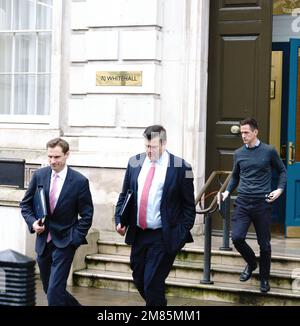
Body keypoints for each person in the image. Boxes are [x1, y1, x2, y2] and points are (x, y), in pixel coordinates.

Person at [115, 125, 196, 306]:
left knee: (152, 282)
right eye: (146, 146)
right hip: (139, 234)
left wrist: (181, 232)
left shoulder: (182, 167)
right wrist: (119, 219)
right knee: (139, 278)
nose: (148, 151)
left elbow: (189, 206)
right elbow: (124, 195)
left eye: (152, 147)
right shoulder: (134, 162)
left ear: (164, 144)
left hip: (163, 235)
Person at [20, 138, 93, 306]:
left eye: (57, 157)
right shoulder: (39, 175)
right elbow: (25, 204)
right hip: (43, 242)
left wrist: (74, 239)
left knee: (54, 292)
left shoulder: (79, 181)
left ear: (67, 155)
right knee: (51, 290)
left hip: (65, 242)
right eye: (50, 157)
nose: (53, 161)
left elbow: (87, 215)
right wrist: (33, 223)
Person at [221, 118, 286, 293]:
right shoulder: (238, 153)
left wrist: (279, 190)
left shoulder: (269, 151)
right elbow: (235, 176)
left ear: (255, 132)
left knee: (264, 244)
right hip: (242, 202)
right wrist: (227, 192)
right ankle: (251, 263)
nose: (243, 135)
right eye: (241, 132)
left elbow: (282, 172)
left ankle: (264, 279)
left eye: (246, 132)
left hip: (262, 203)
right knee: (237, 238)